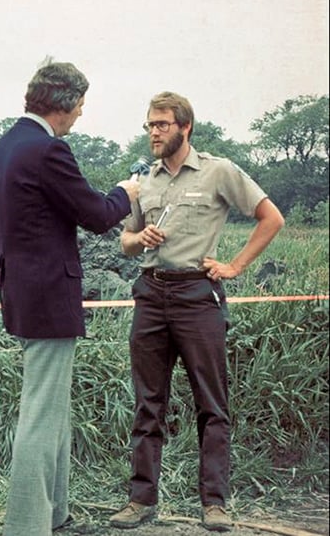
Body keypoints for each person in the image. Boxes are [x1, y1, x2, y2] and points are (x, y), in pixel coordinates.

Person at [0, 59, 140, 536]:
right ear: (65, 104)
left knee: (53, 409)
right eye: (82, 105)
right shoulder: (50, 151)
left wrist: (18, 272)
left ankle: (55, 515)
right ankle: (27, 527)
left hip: (23, 297)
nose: (82, 115)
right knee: (43, 415)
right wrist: (125, 190)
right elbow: (97, 214)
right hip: (50, 298)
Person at [110, 91, 284, 532]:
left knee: (212, 404)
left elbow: (272, 218)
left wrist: (235, 266)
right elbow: (125, 242)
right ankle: (141, 500)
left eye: (162, 124)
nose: (153, 131)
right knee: (148, 404)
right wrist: (140, 238)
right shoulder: (142, 181)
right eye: (150, 124)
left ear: (185, 127)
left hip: (197, 298)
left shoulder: (218, 171)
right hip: (150, 296)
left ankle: (214, 504)